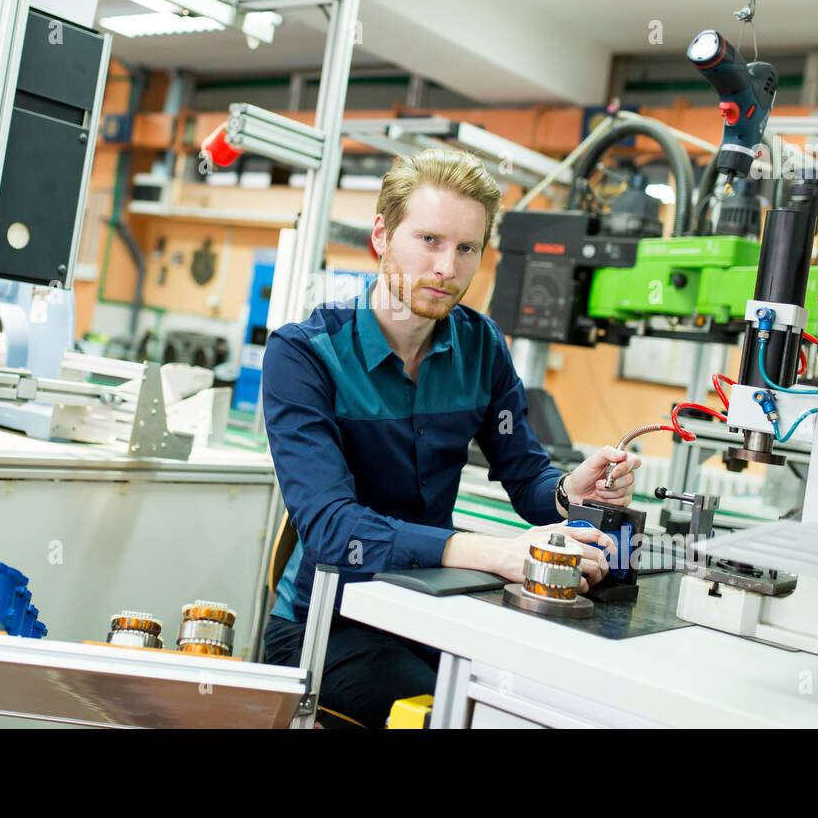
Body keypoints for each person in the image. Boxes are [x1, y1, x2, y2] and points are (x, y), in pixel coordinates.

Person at [260, 148, 643, 728]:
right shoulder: (304, 354)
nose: (447, 267)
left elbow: (525, 475)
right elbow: (332, 529)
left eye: (467, 248)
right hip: (326, 624)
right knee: (458, 718)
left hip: (431, 610)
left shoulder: (482, 346)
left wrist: (570, 493)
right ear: (382, 235)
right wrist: (496, 552)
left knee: (540, 703)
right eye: (429, 240)